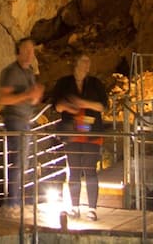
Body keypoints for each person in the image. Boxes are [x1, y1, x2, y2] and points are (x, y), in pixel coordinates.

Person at [51, 53, 108, 221]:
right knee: (74, 170)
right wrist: (71, 106)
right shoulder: (64, 83)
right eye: (84, 63)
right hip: (72, 132)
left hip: (92, 133)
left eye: (88, 64)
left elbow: (103, 106)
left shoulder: (95, 84)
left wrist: (83, 103)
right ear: (75, 65)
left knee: (90, 170)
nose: (86, 67)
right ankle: (74, 207)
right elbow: (57, 106)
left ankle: (92, 209)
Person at [0, 38, 44, 211]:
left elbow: (32, 98)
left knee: (24, 162)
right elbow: (4, 98)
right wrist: (27, 95)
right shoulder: (10, 72)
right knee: (19, 161)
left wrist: (36, 95)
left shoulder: (29, 72)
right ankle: (12, 202)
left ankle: (19, 200)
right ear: (18, 51)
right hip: (14, 120)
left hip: (26, 120)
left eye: (32, 51)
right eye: (26, 50)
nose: (30, 54)